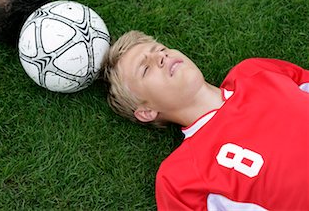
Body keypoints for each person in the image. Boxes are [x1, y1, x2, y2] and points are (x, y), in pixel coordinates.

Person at [103, 30, 309, 210]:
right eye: (145, 69)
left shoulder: (253, 71)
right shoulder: (179, 177)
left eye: (161, 49)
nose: (161, 57)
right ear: (147, 111)